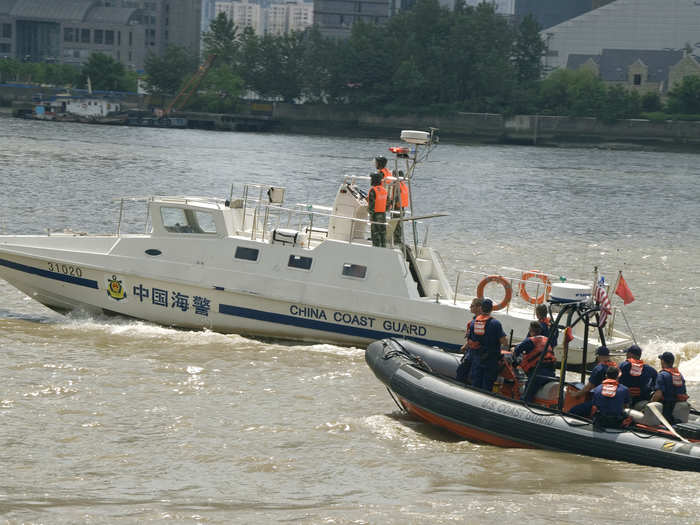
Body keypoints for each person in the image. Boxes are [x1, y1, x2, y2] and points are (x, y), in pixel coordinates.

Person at [467, 298, 507, 392]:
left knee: (475, 384)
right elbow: (504, 342)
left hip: (477, 358)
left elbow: (471, 341)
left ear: (481, 309)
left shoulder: (474, 323)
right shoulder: (496, 323)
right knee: (487, 386)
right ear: (491, 309)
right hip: (491, 360)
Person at [513, 321, 556, 402]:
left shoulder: (530, 341)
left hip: (538, 373)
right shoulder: (546, 339)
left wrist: (515, 361)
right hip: (551, 373)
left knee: (526, 396)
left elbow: (517, 350)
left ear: (530, 331)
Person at [568, 346, 618, 417]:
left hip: (600, 403)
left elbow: (589, 388)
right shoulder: (616, 367)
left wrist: (576, 394)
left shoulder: (598, 369)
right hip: (614, 402)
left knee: (572, 411)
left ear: (598, 356)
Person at [646, 351, 690, 424]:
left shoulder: (662, 375)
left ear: (663, 361)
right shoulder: (679, 375)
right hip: (676, 406)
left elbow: (658, 394)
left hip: (665, 409)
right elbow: (684, 393)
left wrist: (648, 405)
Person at [618, 344, 657, 409]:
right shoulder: (649, 369)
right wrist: (649, 388)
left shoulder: (623, 365)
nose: (626, 355)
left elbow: (614, 380)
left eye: (627, 353)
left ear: (630, 354)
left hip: (625, 401)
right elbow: (657, 380)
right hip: (641, 399)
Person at [456, 298, 482, 384]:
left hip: (474, 352)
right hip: (472, 351)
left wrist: (465, 346)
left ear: (479, 308)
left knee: (462, 372)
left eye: (472, 306)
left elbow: (476, 339)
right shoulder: (475, 321)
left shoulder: (478, 322)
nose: (470, 307)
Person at [367, 171, 387, 247]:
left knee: (375, 236)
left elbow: (371, 205)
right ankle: (383, 248)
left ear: (374, 180)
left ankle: (376, 250)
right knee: (382, 235)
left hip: (375, 215)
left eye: (371, 179)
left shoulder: (373, 190)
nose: (370, 180)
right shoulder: (384, 190)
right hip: (383, 215)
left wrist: (371, 217)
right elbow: (388, 203)